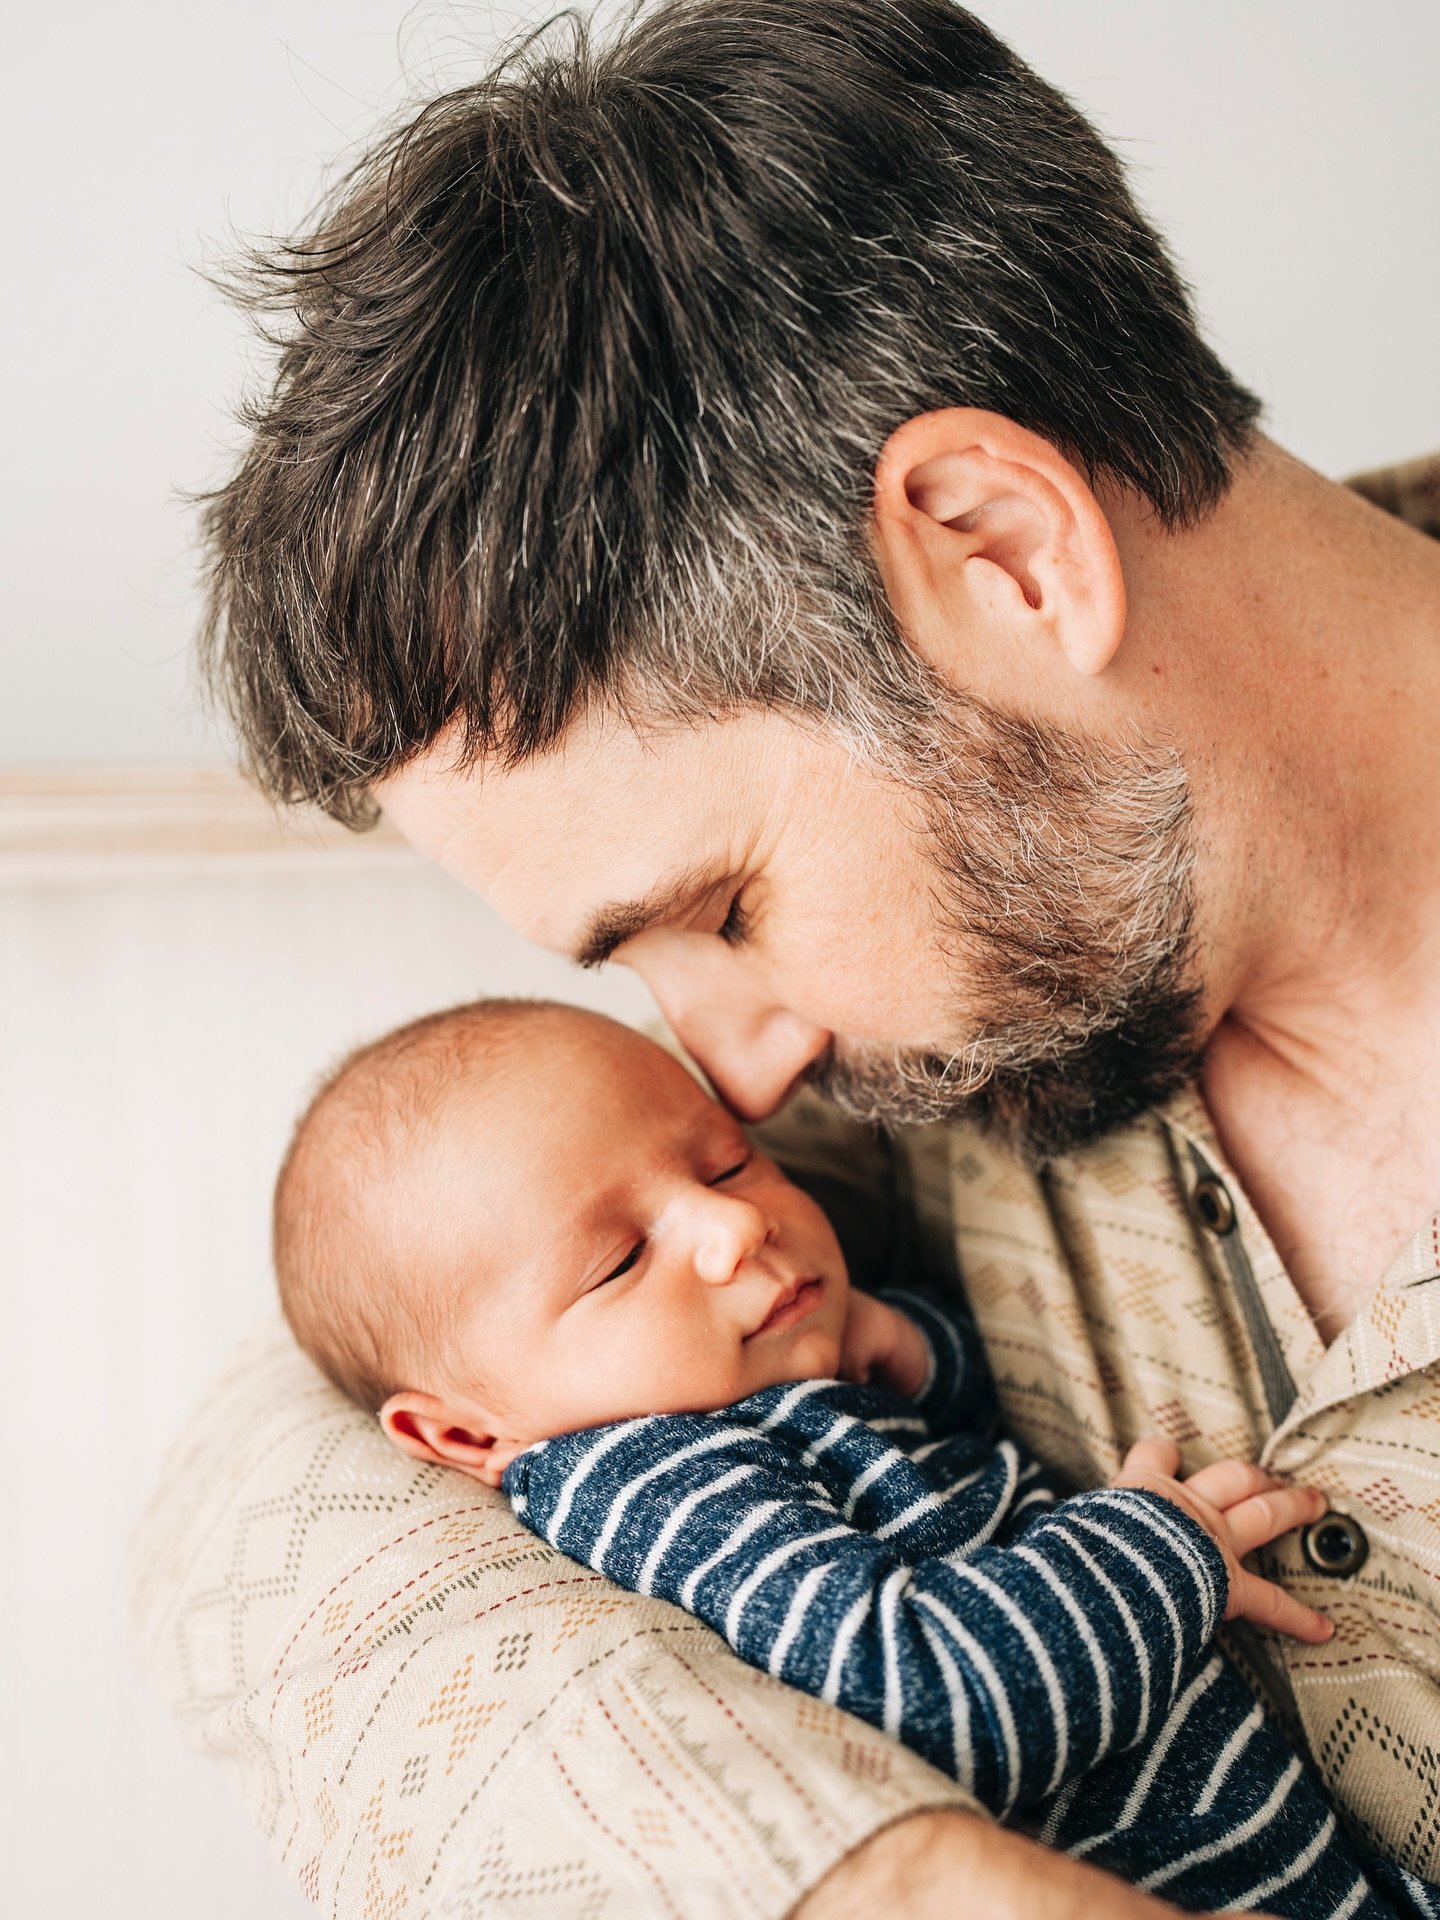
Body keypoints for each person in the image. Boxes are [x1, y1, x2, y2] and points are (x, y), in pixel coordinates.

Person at [197, 0, 1440, 1912]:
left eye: (723, 911)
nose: (738, 1077)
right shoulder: (964, 1055)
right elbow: (267, 1501)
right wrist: (875, 1876)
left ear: (1003, 552)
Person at [274, 993, 1438, 1919]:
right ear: (464, 1433)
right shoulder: (656, 1484)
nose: (735, 1228)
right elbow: (924, 1699)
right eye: (621, 1263)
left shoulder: (750, 1390)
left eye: (728, 1165)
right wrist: (1152, 1555)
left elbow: (940, 1470)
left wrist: (912, 1352)